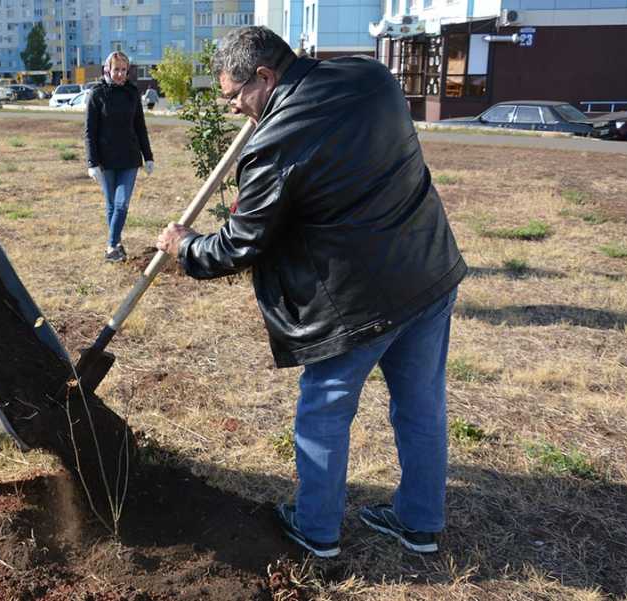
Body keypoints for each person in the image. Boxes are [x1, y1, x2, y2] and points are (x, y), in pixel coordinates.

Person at [155, 26, 467, 558]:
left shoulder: (275, 143)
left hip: (360, 301)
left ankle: (316, 529)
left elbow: (239, 247)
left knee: (323, 413)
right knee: (422, 408)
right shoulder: (371, 75)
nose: (232, 109)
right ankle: (420, 523)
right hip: (427, 269)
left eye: (234, 96)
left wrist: (185, 246)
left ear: (266, 76)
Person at [84, 50, 154, 262]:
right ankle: (117, 244)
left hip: (129, 159)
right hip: (106, 161)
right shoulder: (97, 94)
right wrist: (92, 163)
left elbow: (140, 127)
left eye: (124, 70)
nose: (120, 74)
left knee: (121, 204)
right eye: (116, 70)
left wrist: (148, 156)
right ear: (107, 69)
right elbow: (90, 131)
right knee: (112, 205)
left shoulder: (132, 93)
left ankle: (111, 246)